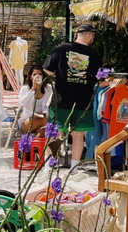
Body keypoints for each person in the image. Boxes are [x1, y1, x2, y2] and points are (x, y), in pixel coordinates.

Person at [43, 24, 103, 168]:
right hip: (83, 100)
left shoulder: (61, 49)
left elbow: (46, 68)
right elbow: (100, 80)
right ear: (90, 35)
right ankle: (74, 168)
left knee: (54, 132)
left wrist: (60, 77)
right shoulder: (93, 55)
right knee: (78, 135)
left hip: (62, 98)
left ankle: (49, 165)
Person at [17, 66, 54, 137]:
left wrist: (44, 113)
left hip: (44, 118)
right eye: (34, 74)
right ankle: (52, 142)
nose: (37, 76)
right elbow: (22, 103)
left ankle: (31, 147)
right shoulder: (25, 89)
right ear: (30, 77)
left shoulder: (48, 89)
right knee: (45, 122)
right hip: (28, 120)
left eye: (40, 74)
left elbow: (51, 104)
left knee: (42, 131)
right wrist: (33, 89)